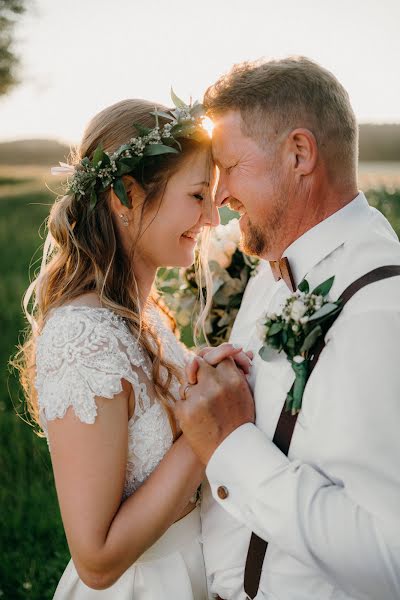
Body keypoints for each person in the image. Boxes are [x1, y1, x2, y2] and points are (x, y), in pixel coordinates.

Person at [175, 57, 400, 599]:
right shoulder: (272, 270)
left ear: (299, 153)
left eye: (230, 166)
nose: (220, 194)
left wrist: (231, 445)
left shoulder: (382, 310)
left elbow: (390, 561)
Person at [15, 96, 251, 599]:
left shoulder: (140, 314)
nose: (212, 216)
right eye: (196, 195)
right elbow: (97, 560)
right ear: (126, 194)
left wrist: (200, 376)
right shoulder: (84, 341)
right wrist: (203, 432)